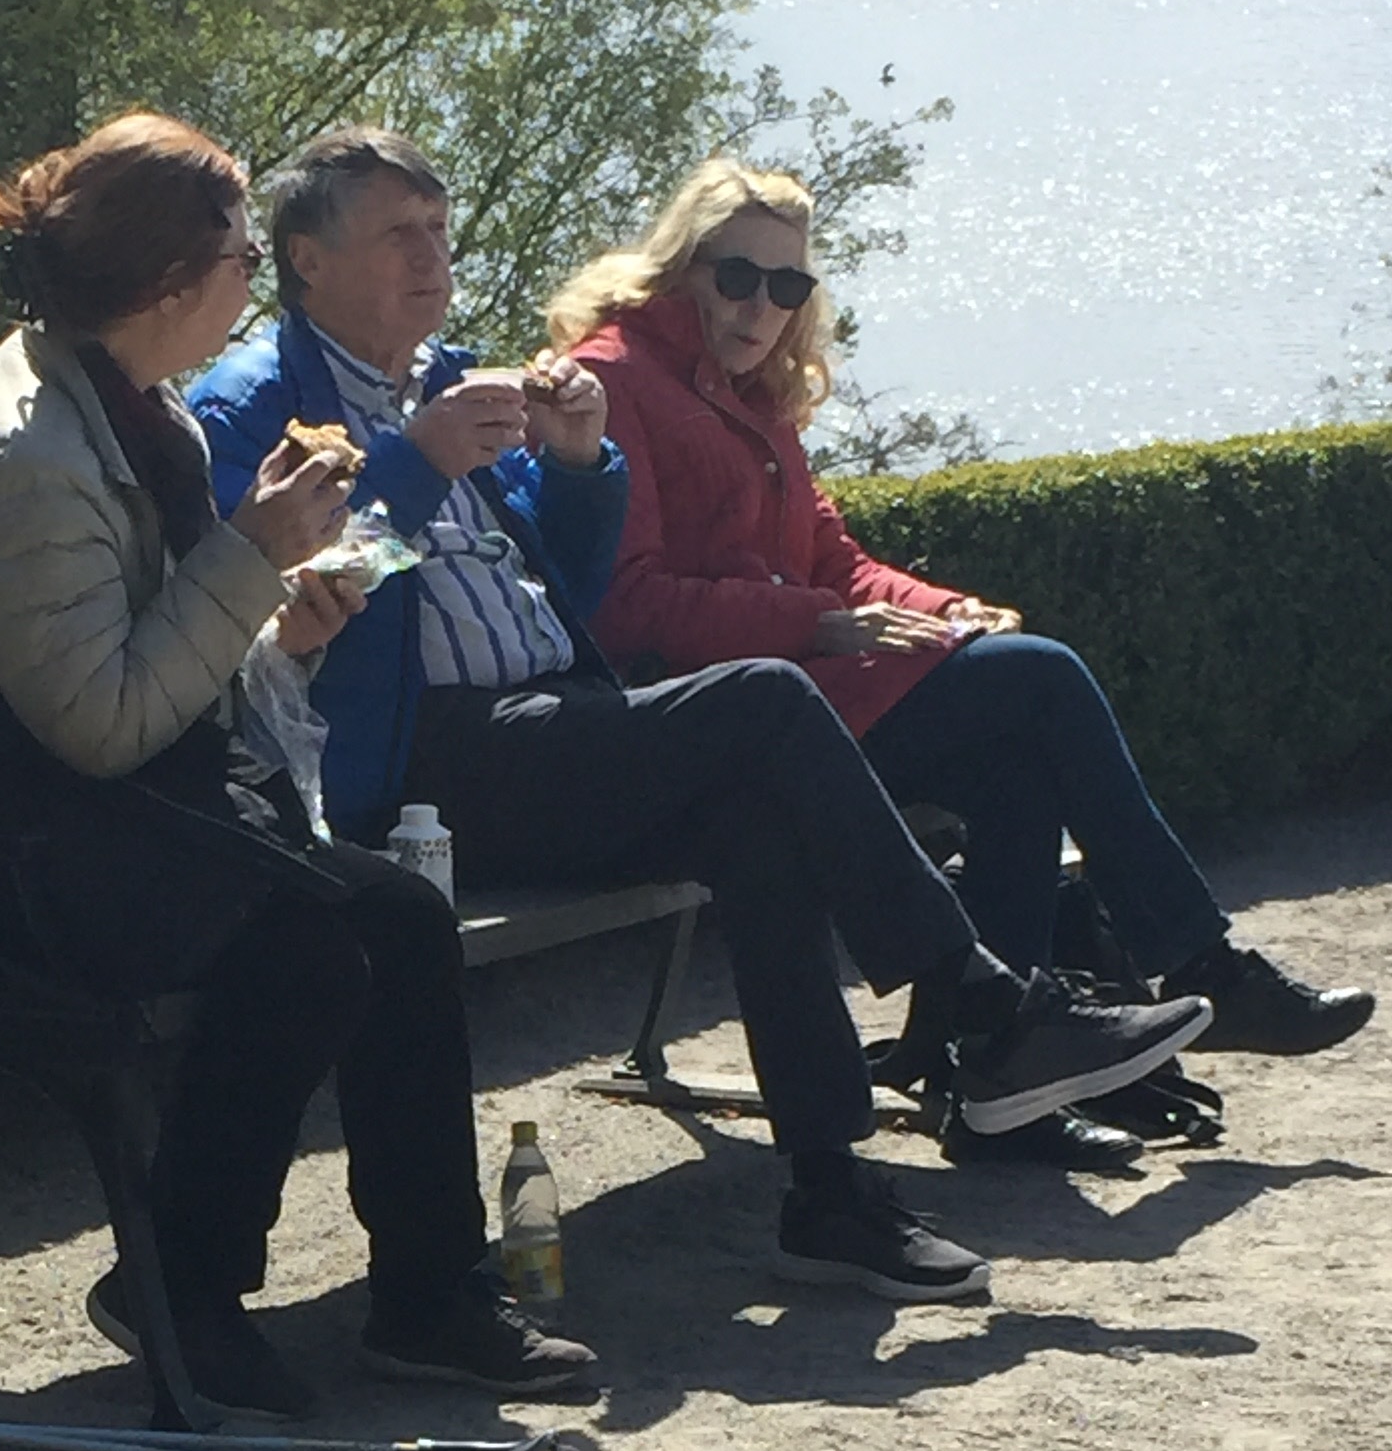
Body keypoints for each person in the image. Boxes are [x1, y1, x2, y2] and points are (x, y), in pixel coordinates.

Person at [188, 124, 1213, 1303]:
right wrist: (413, 465)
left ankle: (830, 1191)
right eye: (396, 237)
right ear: (307, 259)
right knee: (768, 700)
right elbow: (290, 609)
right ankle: (988, 1003)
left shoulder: (451, 379)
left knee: (756, 822)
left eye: (439, 230)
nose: (432, 259)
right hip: (421, 758)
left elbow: (570, 596)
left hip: (549, 722)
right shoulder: (253, 407)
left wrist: (581, 468)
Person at [0, 110, 595, 1419]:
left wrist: (279, 618)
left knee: (393, 916)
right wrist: (251, 563)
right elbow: (99, 723)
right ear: (169, 283)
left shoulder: (131, 404)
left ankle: (424, 1297)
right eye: (245, 257)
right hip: (2, 848)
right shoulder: (31, 454)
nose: (257, 276)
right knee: (313, 945)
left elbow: (161, 657)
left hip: (103, 806)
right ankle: (186, 1291)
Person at [549, 157, 1372, 1164]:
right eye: (738, 277)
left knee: (1014, 755)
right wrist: (819, 623)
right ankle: (1199, 963)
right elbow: (627, 606)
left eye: (788, 285)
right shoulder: (615, 378)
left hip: (800, 693)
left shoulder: (752, 397)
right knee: (1041, 678)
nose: (763, 305)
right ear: (681, 267)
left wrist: (946, 610)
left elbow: (838, 562)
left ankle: (994, 1084)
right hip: (714, 722)